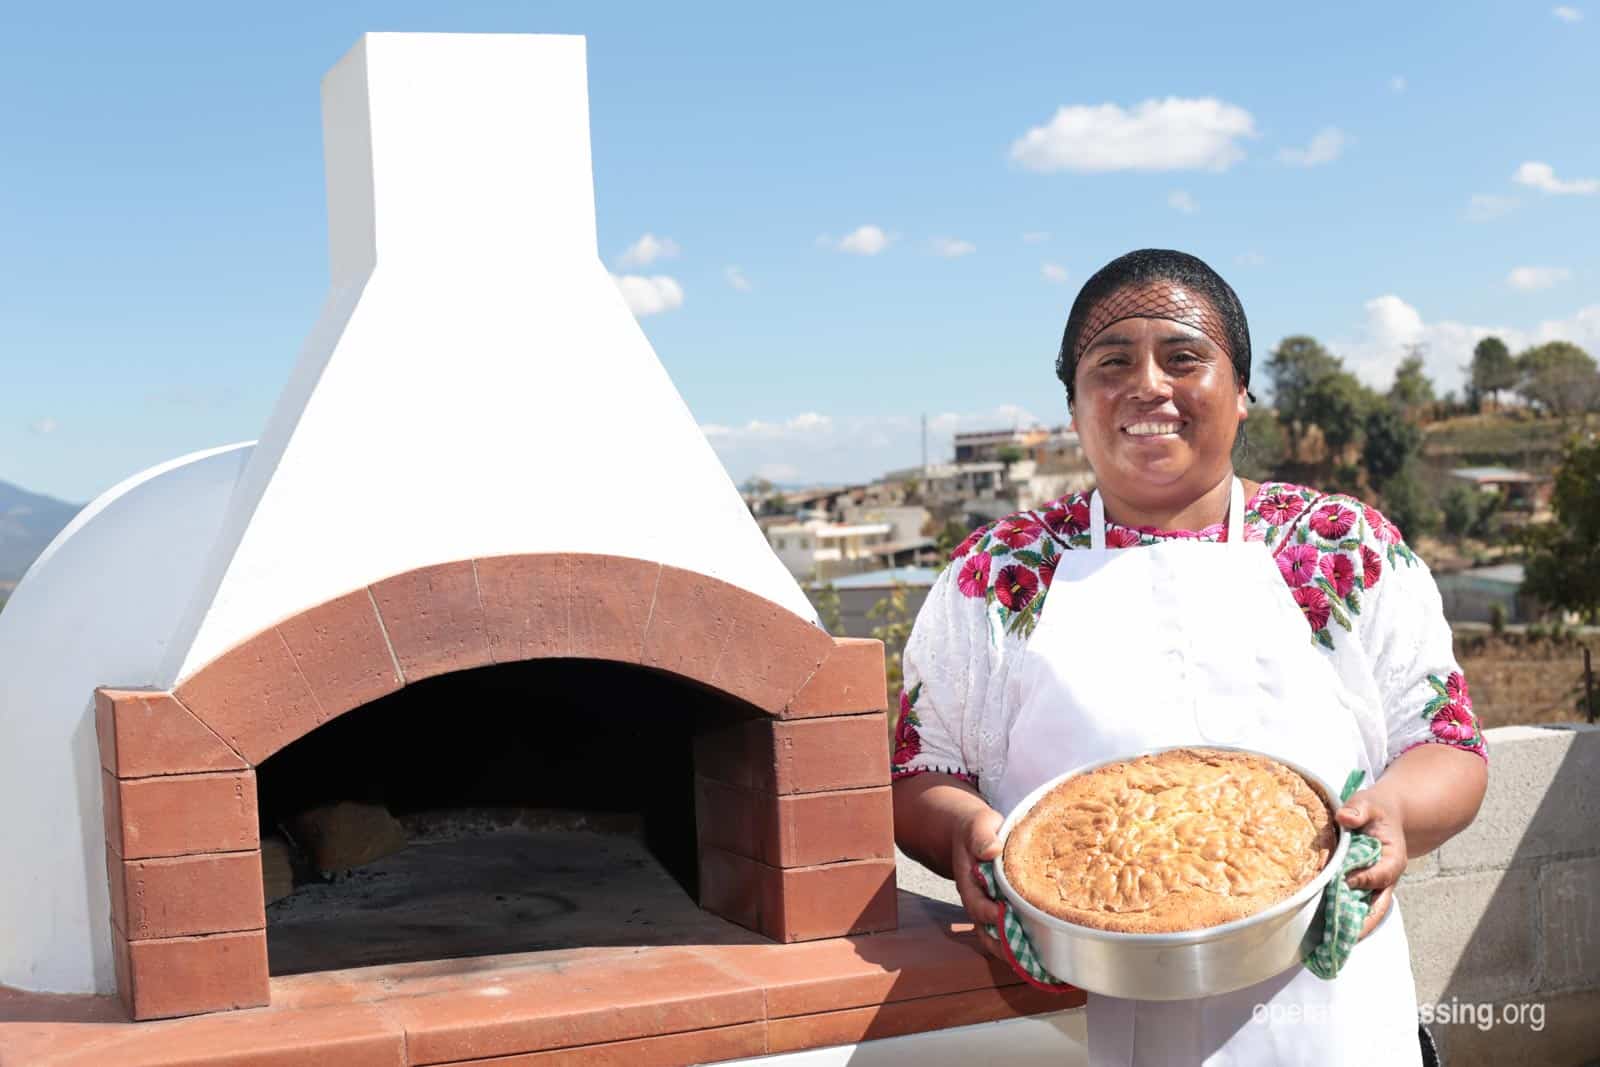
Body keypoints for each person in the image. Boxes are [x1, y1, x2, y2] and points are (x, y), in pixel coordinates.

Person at [891, 249, 1488, 1066]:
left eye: (1183, 357)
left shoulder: (1343, 546)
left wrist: (1397, 813)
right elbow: (921, 769)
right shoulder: (995, 575)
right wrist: (965, 834)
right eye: (1111, 363)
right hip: (1079, 1019)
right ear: (1073, 404)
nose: (1148, 386)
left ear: (1241, 393)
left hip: (1328, 1020)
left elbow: (1447, 746)